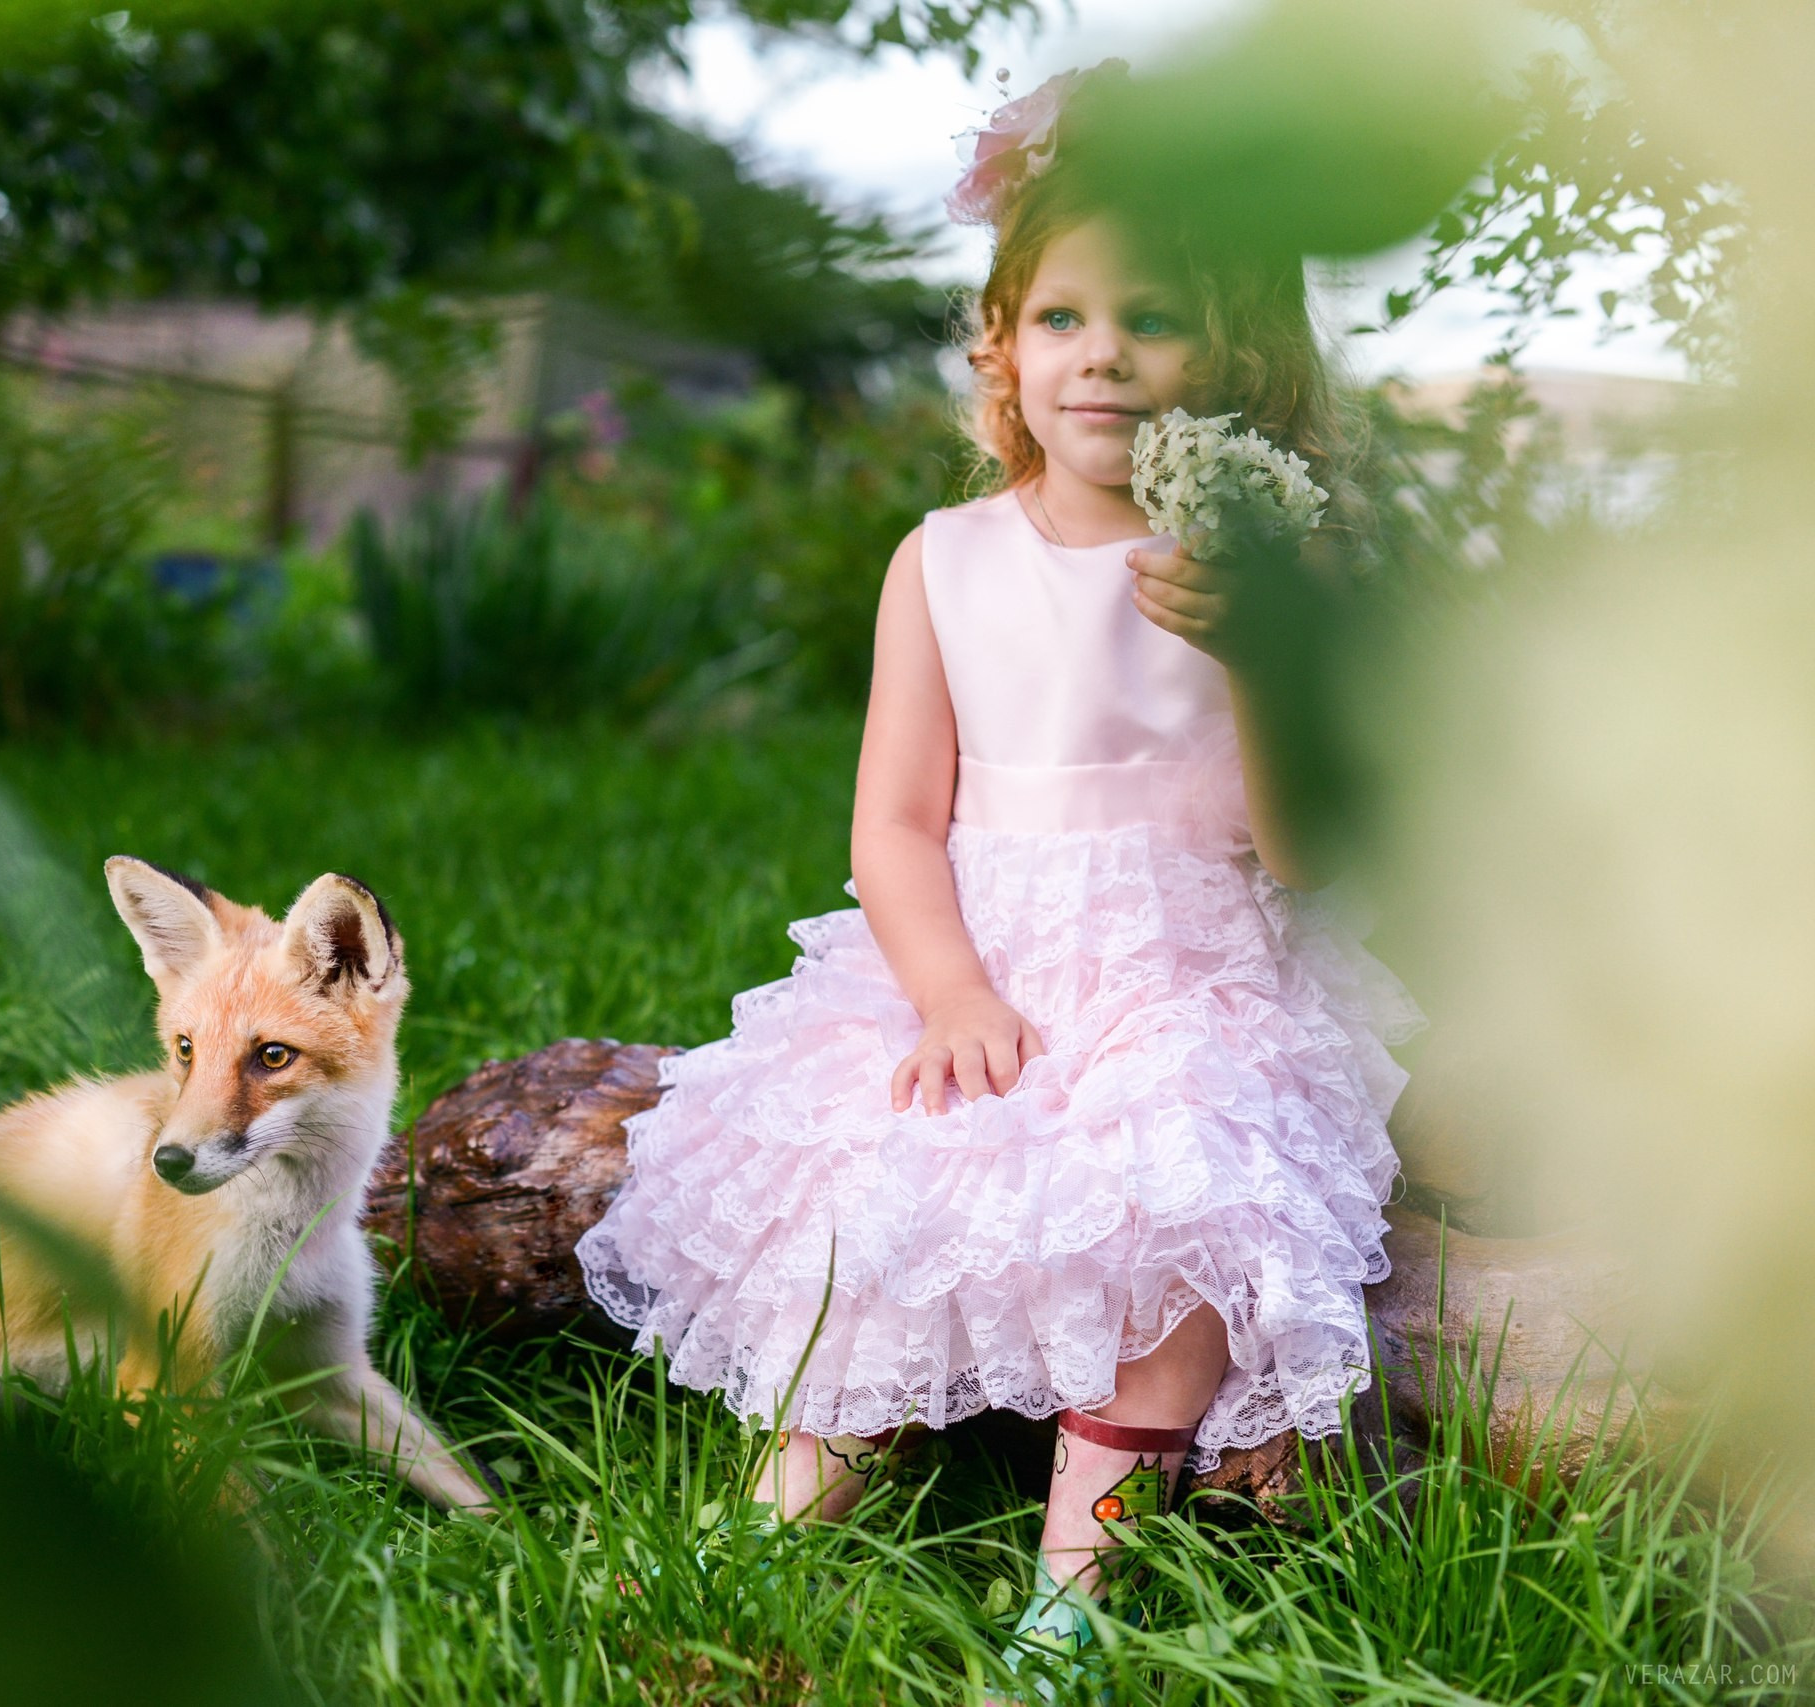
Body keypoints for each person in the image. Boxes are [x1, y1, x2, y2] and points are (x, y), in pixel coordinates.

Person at [572, 60, 1425, 1699]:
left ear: (1227, 355)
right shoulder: (945, 560)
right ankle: (778, 1509)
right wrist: (952, 987)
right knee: (875, 1189)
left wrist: (1255, 649)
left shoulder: (1277, 569)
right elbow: (894, 823)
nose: (1101, 354)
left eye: (1151, 318)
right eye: (1059, 319)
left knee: (1190, 1200)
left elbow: (1316, 852)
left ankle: (1074, 1583)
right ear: (1002, 347)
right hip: (978, 950)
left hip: (1195, 963)